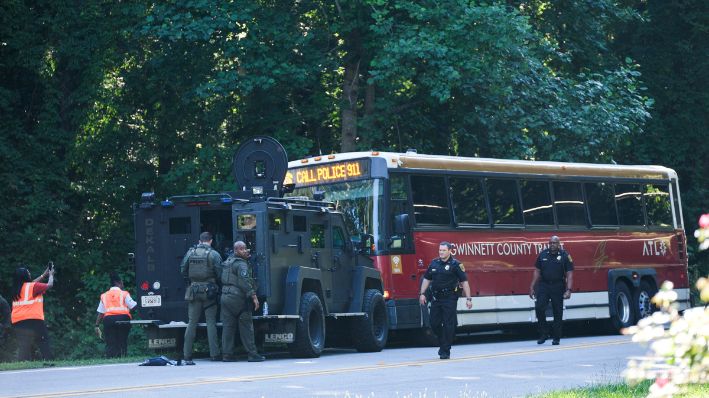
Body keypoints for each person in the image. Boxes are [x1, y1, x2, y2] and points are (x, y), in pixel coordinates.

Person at [419, 242, 472, 359]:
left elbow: (464, 282)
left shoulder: (456, 264)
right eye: (440, 250)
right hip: (436, 298)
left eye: (443, 250)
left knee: (449, 324)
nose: (441, 252)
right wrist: (422, 293)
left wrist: (468, 298)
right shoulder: (434, 263)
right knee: (434, 323)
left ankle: (445, 350)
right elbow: (427, 279)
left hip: (450, 298)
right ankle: (443, 341)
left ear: (449, 251)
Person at [180, 231, 223, 364]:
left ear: (200, 241)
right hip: (209, 291)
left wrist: (193, 281)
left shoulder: (190, 252)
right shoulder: (214, 254)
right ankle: (214, 355)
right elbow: (220, 273)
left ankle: (187, 355)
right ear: (210, 241)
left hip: (193, 290)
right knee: (211, 322)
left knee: (192, 322)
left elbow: (183, 269)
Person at [220, 241, 265, 362]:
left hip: (225, 296)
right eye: (242, 249)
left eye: (245, 248)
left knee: (228, 327)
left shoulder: (227, 262)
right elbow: (245, 281)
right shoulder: (241, 264)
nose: (246, 251)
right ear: (236, 250)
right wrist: (254, 296)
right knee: (246, 325)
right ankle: (252, 353)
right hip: (237, 298)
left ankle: (227, 354)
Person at [529, 235, 574, 345]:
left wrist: (568, 289)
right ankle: (544, 333)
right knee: (539, 307)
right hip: (544, 285)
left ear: (559, 244)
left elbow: (569, 274)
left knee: (557, 312)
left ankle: (556, 337)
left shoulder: (565, 256)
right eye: (550, 243)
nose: (552, 245)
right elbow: (537, 271)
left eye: (554, 243)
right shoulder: (543, 254)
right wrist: (532, 286)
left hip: (558, 286)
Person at [11, 265, 54, 361]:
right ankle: (48, 359)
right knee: (43, 340)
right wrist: (51, 275)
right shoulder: (33, 286)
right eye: (28, 272)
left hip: (18, 320)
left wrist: (44, 275)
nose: (29, 273)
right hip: (33, 318)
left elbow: (31, 284)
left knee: (24, 344)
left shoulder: (16, 289)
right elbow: (49, 285)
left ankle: (22, 363)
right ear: (25, 276)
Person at [95, 272, 137, 357]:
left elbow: (101, 313)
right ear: (118, 283)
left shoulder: (104, 295)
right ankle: (122, 356)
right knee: (122, 339)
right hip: (123, 319)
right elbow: (133, 306)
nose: (122, 284)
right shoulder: (124, 293)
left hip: (108, 320)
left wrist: (96, 325)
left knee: (110, 341)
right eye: (121, 282)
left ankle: (110, 357)